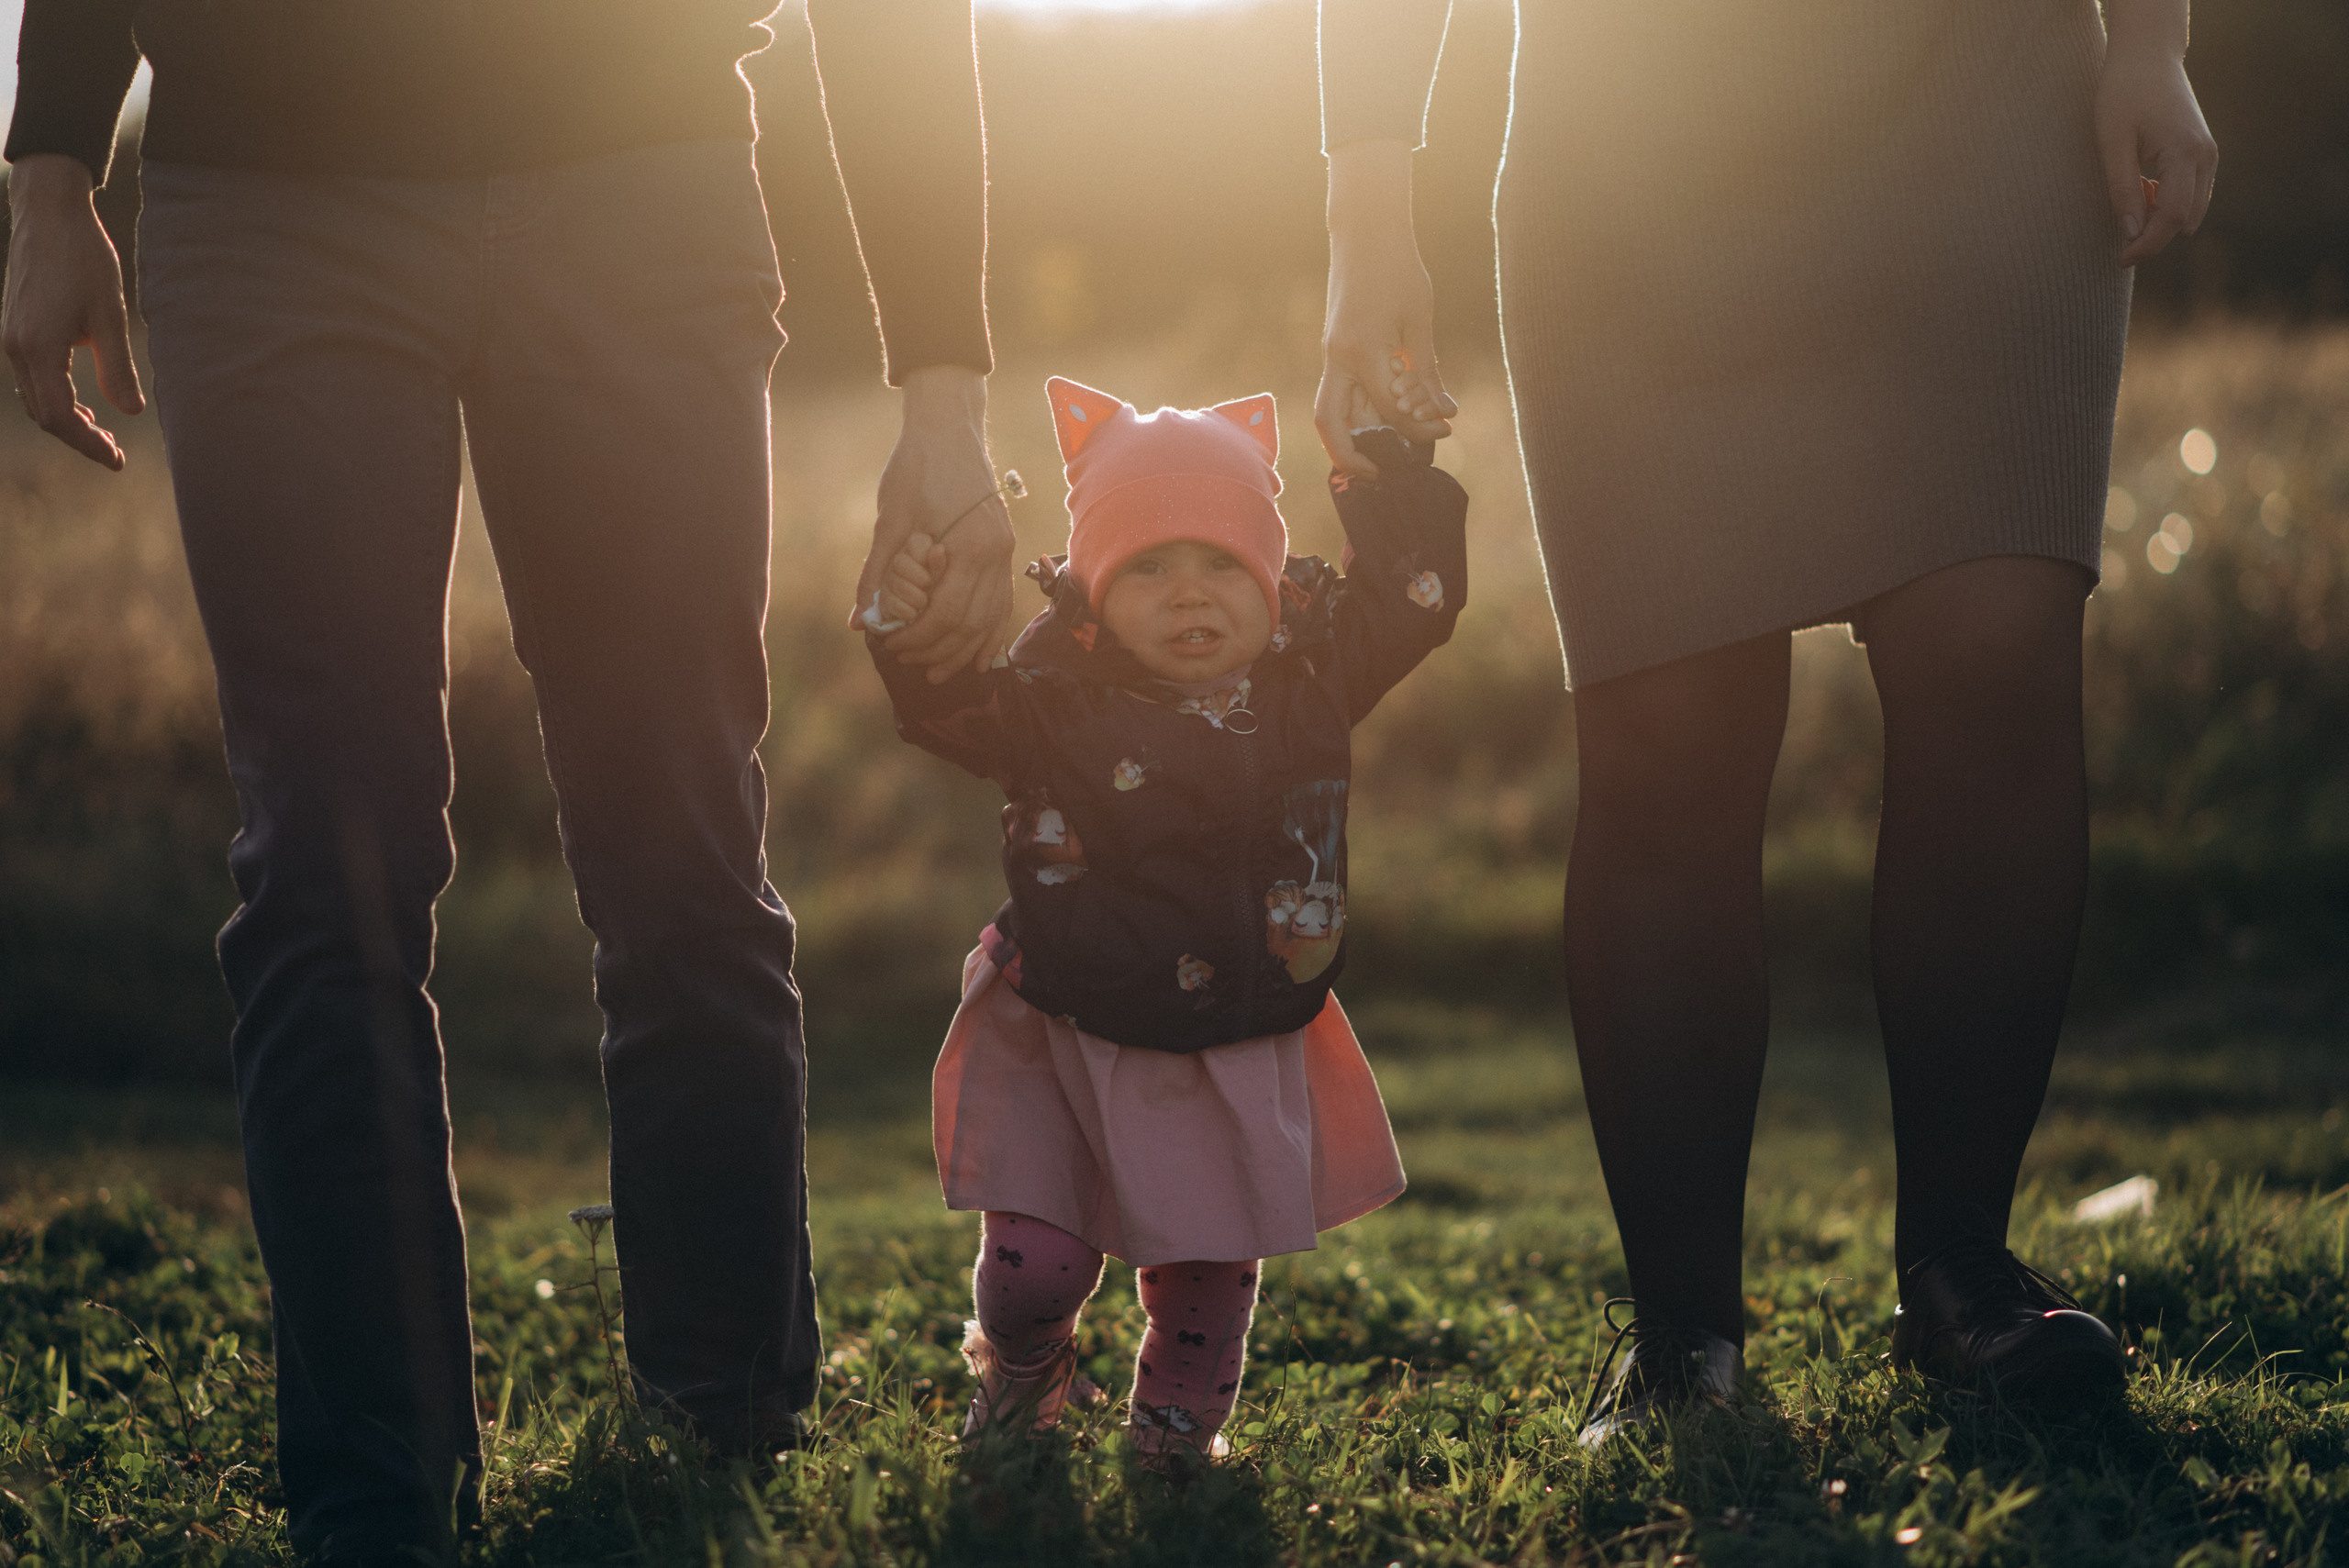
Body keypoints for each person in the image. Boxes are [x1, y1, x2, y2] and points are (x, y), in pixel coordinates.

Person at [1, 1, 1010, 1559]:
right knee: (326, 866)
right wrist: (52, 161)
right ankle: (378, 1498)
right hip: (272, 200)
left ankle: (720, 1449)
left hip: (641, 177)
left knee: (681, 838)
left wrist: (946, 383)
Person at [1314, 0, 2217, 1439]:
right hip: (1634, 144)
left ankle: (1963, 1269)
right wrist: (1369, 211)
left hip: (1979, 99)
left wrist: (2152, 36)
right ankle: (1683, 1336)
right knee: (1668, 735)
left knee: (1994, 656)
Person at [863, 378, 1467, 1462]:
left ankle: (1174, 1446)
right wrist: (913, 621)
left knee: (1203, 1279)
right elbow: (942, 703)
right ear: (1092, 589)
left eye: (1223, 563)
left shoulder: (1313, 676)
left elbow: (1416, 594)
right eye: (1148, 565)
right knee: (1032, 1267)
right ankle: (1023, 1367)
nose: (1189, 592)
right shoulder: (1051, 702)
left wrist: (1393, 475)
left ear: (1271, 579)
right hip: (1064, 1019)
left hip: (1233, 1029)